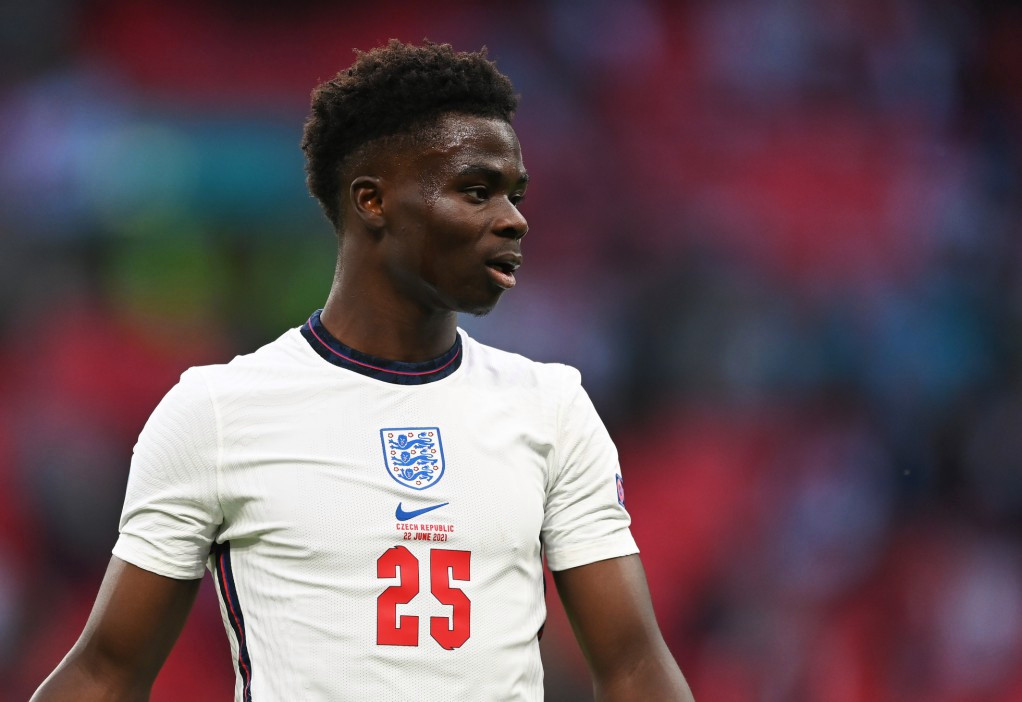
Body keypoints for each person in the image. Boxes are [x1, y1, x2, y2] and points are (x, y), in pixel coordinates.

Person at [32, 40, 694, 702]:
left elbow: (632, 664)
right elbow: (107, 670)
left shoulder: (552, 407)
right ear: (373, 202)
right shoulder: (216, 412)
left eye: (511, 194)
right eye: (473, 191)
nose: (510, 220)